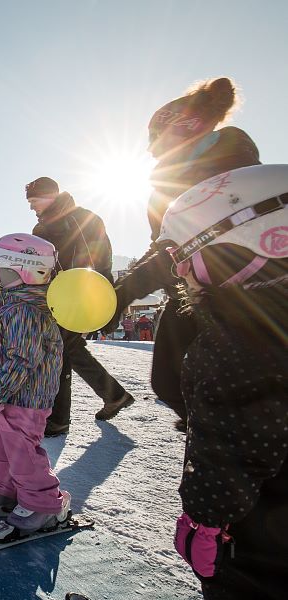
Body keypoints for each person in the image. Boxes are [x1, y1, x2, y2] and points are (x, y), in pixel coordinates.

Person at [156, 164, 286, 599]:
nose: (179, 272)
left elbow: (228, 453)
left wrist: (202, 521)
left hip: (259, 540)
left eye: (182, 256)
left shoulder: (234, 342)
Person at [107, 77, 261, 425]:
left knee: (223, 385)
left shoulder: (225, 162)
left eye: (153, 140)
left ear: (179, 131)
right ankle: (208, 430)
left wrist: (121, 295)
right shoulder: (165, 181)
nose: (150, 150)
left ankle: (222, 441)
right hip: (190, 291)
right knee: (168, 380)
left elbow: (182, 247)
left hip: (240, 290)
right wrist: (118, 294)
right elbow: (162, 247)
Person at [0, 233, 71, 541]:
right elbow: (15, 343)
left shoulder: (25, 308)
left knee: (22, 451)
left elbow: (24, 358)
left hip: (24, 396)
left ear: (17, 270)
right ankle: (2, 490)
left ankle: (44, 504)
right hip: (5, 392)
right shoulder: (9, 304)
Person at [26, 176, 135, 436]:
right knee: (68, 348)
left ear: (51, 194)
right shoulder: (40, 229)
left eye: (34, 200)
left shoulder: (81, 218)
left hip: (79, 293)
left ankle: (59, 420)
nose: (31, 207)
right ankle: (114, 395)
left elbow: (98, 257)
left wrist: (95, 292)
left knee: (62, 351)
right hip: (56, 297)